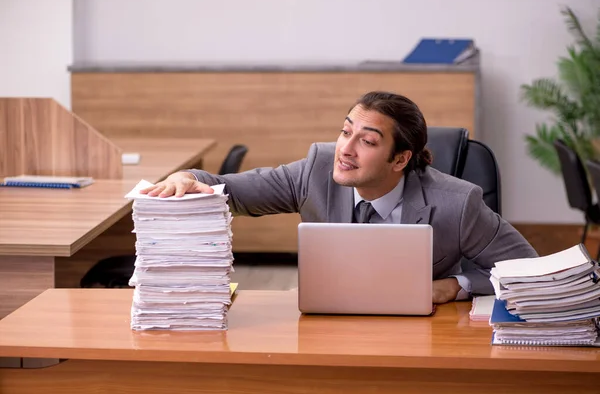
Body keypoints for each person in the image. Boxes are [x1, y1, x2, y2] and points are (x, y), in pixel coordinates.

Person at [141, 91, 538, 304]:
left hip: (420, 333)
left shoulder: (457, 201)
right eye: (345, 131)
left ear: (400, 158)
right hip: (326, 321)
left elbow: (529, 270)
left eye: (366, 141)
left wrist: (455, 285)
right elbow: (234, 192)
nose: (345, 149)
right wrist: (188, 176)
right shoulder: (316, 169)